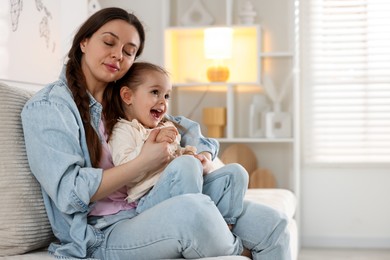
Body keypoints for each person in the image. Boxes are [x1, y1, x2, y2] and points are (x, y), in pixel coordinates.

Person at [21, 7, 291, 260]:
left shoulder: (124, 97)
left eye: (129, 51)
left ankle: (220, 235)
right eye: (109, 42)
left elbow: (189, 129)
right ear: (84, 42)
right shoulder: (50, 107)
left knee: (275, 224)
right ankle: (237, 250)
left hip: (151, 204)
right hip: (102, 231)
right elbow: (69, 192)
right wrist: (144, 162)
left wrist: (204, 155)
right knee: (193, 212)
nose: (118, 55)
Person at [102, 61, 246, 230]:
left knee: (236, 172)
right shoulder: (124, 130)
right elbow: (126, 169)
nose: (163, 102)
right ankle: (198, 227)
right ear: (127, 96)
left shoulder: (166, 126)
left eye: (167, 96)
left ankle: (224, 226)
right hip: (150, 198)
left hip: (185, 189)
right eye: (155, 92)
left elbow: (184, 152)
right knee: (186, 164)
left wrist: (194, 156)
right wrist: (154, 145)